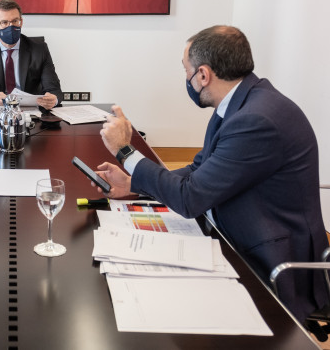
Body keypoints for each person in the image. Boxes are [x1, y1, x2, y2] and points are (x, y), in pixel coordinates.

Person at [96, 25, 328, 323]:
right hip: (227, 232)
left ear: (203, 75)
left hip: (265, 259)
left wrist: (126, 152)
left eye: (186, 71)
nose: (187, 80)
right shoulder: (243, 103)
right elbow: (199, 169)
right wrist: (133, 183)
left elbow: (190, 198)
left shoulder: (256, 120)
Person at [0, 0, 63, 108]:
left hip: (30, 112)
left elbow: (55, 90)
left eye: (15, 21)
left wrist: (53, 99)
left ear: (21, 22)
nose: (11, 26)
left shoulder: (39, 49)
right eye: (4, 22)